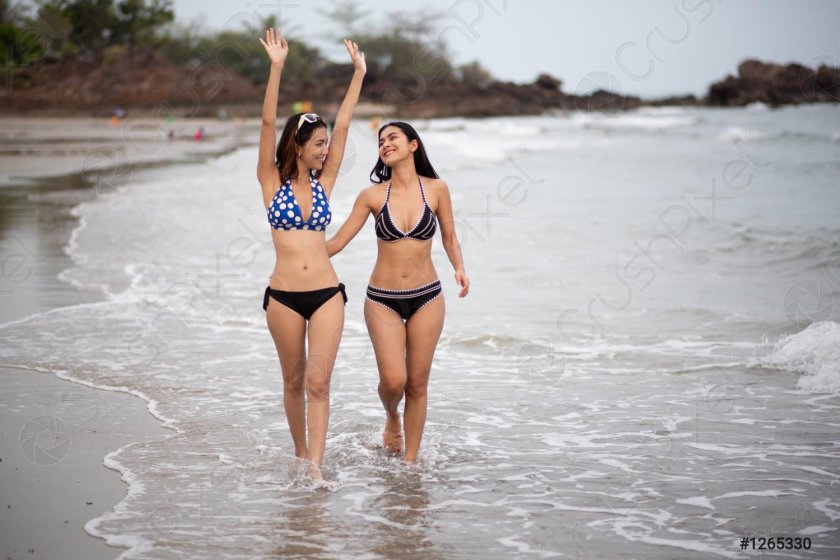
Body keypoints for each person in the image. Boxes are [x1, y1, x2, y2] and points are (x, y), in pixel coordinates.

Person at [256, 28, 366, 476]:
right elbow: (266, 125)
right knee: (294, 381)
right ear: (298, 146)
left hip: (325, 294)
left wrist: (358, 75)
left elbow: (343, 124)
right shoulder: (270, 183)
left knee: (319, 383)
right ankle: (301, 452)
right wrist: (275, 68)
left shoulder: (326, 183)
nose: (325, 151)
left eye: (325, 146)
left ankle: (316, 467)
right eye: (317, 145)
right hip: (282, 296)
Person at [326, 122, 470, 462]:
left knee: (417, 384)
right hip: (382, 300)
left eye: (393, 138)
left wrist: (459, 268)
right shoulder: (372, 195)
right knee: (393, 382)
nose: (385, 144)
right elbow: (338, 241)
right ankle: (392, 417)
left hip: (428, 296)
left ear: (413, 145)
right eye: (381, 141)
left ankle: (411, 463)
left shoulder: (436, 189)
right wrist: (297, 252)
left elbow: (449, 236)